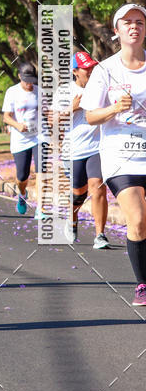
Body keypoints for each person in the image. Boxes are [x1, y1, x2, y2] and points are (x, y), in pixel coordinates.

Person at [81, 3, 146, 305]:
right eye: (128, 22)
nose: (134, 27)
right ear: (117, 30)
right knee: (138, 220)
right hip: (121, 156)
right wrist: (114, 108)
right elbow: (91, 116)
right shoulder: (105, 70)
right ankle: (143, 284)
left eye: (140, 22)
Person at [60, 52, 110, 249]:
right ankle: (72, 218)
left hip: (97, 147)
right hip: (73, 151)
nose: (90, 70)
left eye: (92, 66)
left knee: (98, 186)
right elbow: (51, 122)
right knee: (78, 193)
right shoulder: (64, 92)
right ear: (74, 71)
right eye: (86, 68)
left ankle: (100, 235)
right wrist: (72, 108)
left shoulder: (100, 88)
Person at [2, 62, 45, 218]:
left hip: (39, 136)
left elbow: (45, 113)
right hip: (20, 139)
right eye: (26, 80)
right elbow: (6, 117)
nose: (29, 84)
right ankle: (21, 193)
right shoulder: (12, 92)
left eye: (32, 80)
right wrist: (17, 125)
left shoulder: (39, 92)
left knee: (41, 171)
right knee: (22, 176)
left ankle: (41, 209)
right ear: (19, 76)